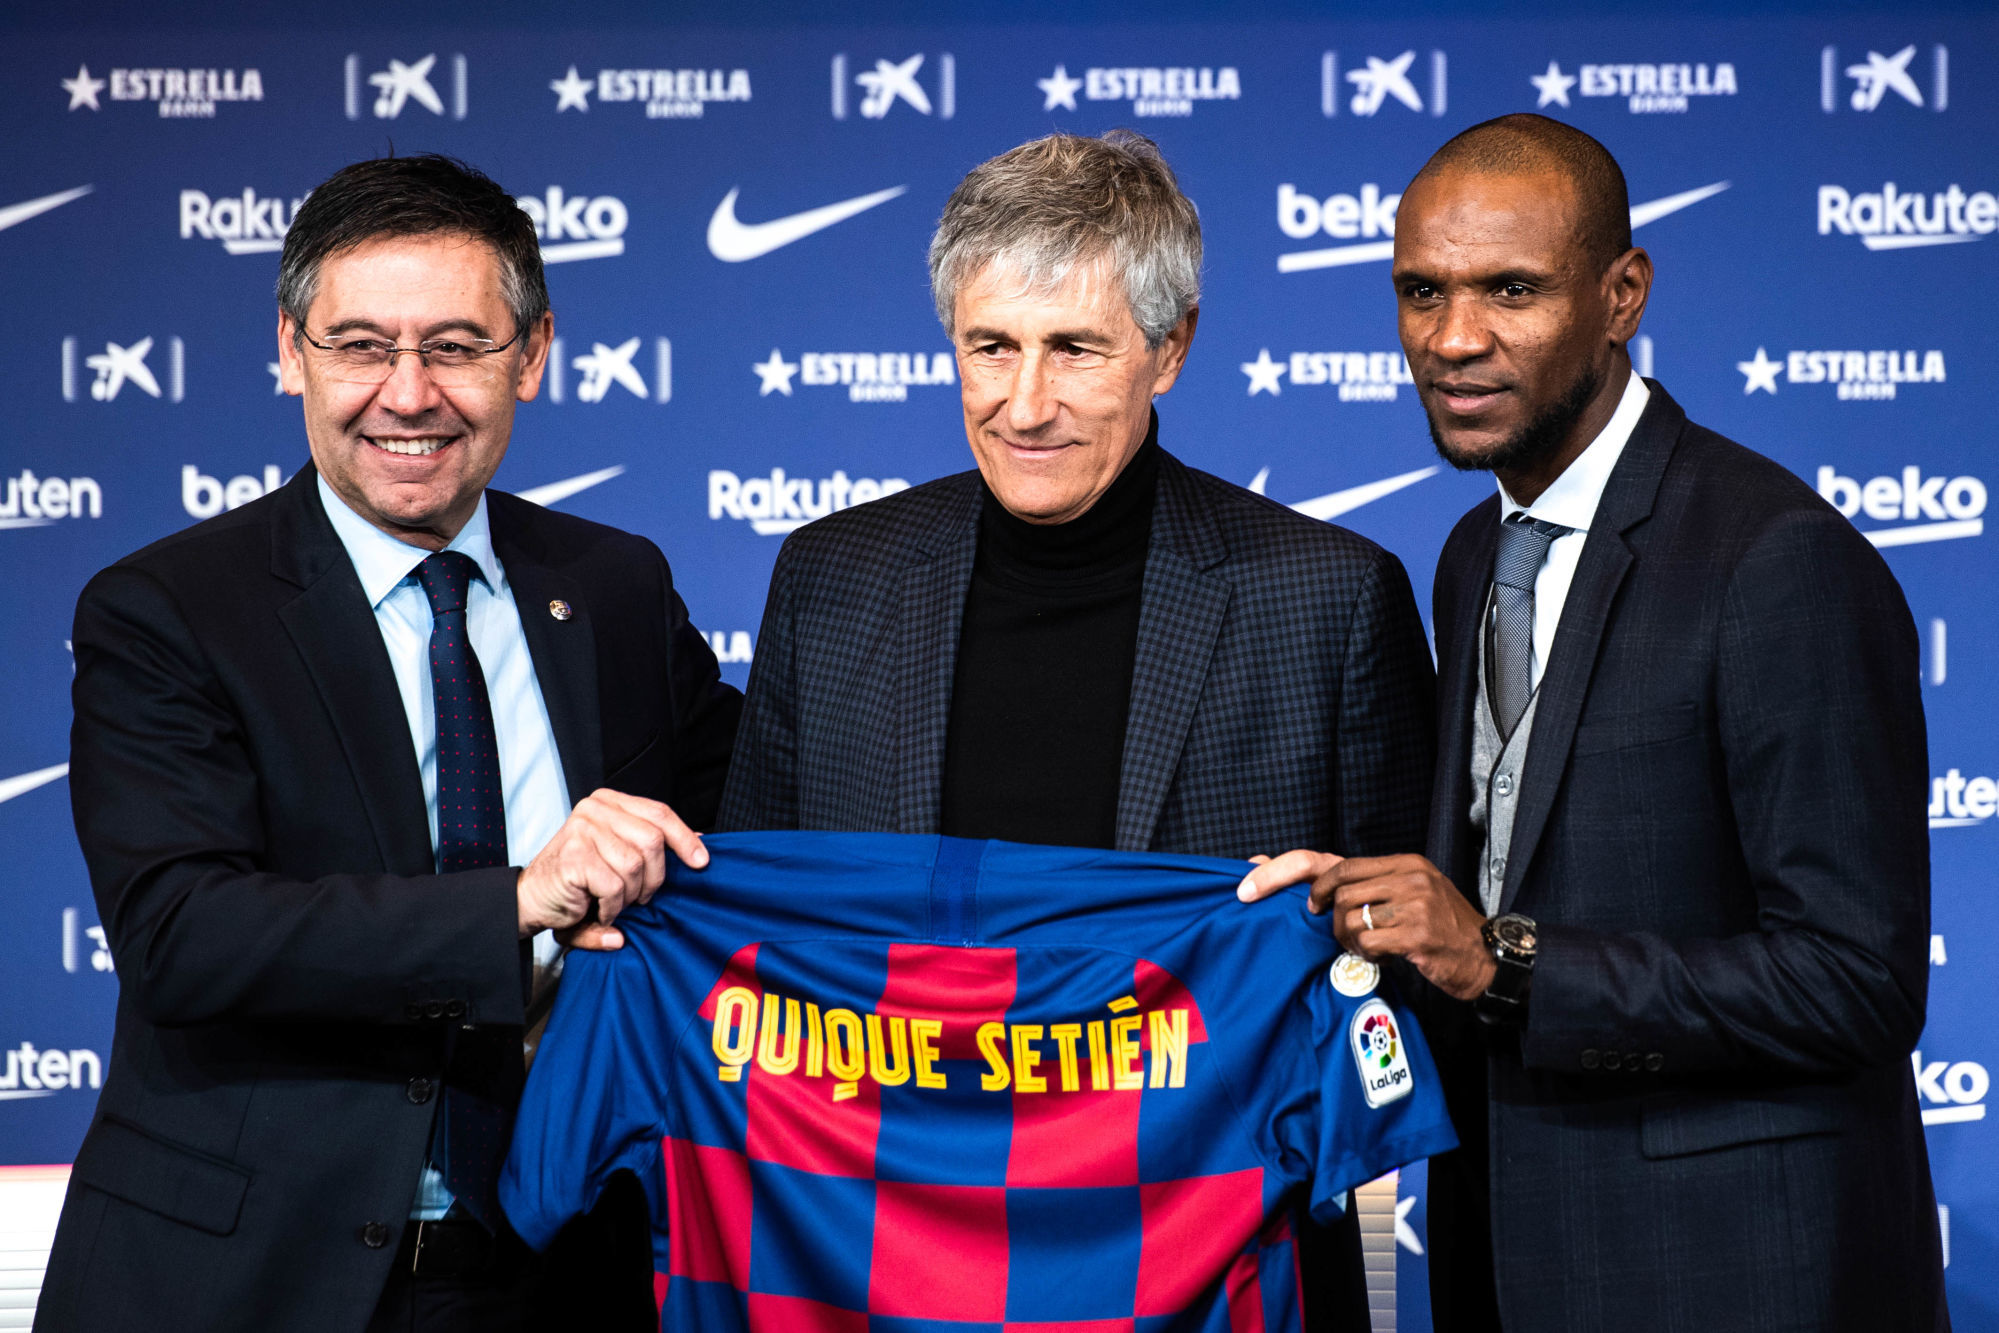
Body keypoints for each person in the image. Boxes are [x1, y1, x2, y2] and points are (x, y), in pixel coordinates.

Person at [1241, 114, 1948, 1331]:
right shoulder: (1473, 551)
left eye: (1510, 290)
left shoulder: (1777, 559)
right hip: (1501, 1263)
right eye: (1421, 291)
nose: (1453, 339)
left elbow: (1857, 980)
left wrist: (1506, 960)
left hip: (1731, 1280)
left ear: (1621, 295)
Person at [719, 130, 1437, 1325]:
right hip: (880, 1257)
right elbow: (754, 931)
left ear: (1170, 348)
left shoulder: (1326, 596)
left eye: (1075, 349)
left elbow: (1407, 961)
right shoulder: (831, 580)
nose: (1025, 403)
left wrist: (1342, 946)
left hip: (1204, 1257)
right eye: (990, 347)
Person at [35, 154, 740, 1333]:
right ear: (289, 352)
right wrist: (519, 897)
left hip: (567, 1271)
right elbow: (182, 936)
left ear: (534, 353)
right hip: (255, 1278)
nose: (407, 394)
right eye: (360, 345)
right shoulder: (166, 607)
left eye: (457, 346)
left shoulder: (613, 585)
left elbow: (755, 824)